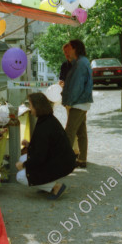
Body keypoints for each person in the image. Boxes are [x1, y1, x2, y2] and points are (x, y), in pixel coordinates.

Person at [15, 93, 76, 199]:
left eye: (31, 105)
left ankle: (55, 187)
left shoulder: (44, 125)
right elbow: (44, 147)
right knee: (22, 158)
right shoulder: (47, 119)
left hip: (60, 163)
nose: (30, 108)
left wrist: (24, 165)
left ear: (37, 107)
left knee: (20, 176)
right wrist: (29, 145)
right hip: (61, 160)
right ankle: (47, 185)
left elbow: (39, 157)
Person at [61, 39, 93, 168]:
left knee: (69, 133)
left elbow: (76, 87)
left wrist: (67, 101)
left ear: (75, 48)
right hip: (82, 102)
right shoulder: (81, 62)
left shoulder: (80, 64)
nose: (67, 51)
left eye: (69, 48)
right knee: (81, 132)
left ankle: (65, 162)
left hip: (78, 103)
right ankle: (82, 159)